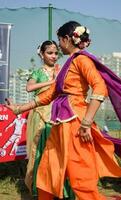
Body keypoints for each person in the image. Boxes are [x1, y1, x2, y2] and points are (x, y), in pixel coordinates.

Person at [6, 22, 121, 199]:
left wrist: (86, 123)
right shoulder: (69, 64)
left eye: (59, 40)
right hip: (60, 123)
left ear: (66, 39)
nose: (59, 45)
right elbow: (50, 94)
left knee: (81, 179)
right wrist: (19, 108)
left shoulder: (82, 60)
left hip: (76, 124)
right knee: (47, 173)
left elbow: (99, 88)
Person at [25, 40, 74, 199]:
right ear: (41, 54)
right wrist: (52, 81)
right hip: (41, 116)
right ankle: (41, 189)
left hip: (59, 115)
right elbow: (29, 87)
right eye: (49, 53)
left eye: (55, 53)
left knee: (60, 153)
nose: (54, 56)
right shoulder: (38, 72)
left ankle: (62, 189)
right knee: (42, 153)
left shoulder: (62, 70)